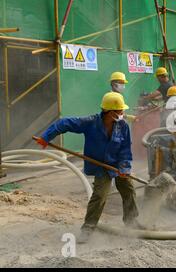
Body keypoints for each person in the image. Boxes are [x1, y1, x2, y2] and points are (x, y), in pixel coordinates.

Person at [35, 92, 143, 243]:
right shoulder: (90, 123)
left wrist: (125, 167)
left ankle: (131, 222)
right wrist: (46, 137)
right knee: (100, 196)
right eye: (120, 111)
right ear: (110, 112)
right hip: (100, 166)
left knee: (128, 190)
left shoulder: (123, 125)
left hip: (117, 164)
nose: (123, 113)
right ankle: (88, 228)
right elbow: (63, 123)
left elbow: (125, 148)